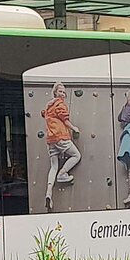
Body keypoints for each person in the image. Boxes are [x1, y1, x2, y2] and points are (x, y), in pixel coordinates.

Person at [42, 82, 81, 211]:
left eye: (64, 92)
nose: (63, 94)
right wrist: (74, 128)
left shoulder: (48, 106)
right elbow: (65, 120)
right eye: (60, 91)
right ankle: (63, 173)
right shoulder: (59, 104)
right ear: (55, 92)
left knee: (53, 166)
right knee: (76, 155)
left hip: (50, 139)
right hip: (60, 136)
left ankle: (48, 193)